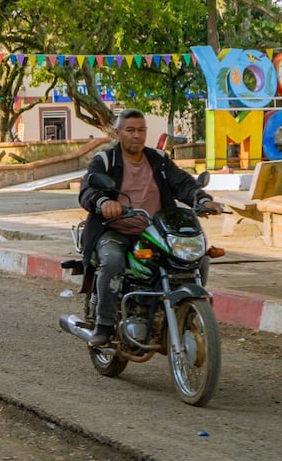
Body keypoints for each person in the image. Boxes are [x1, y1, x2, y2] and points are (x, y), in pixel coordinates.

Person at [78, 109, 222, 345]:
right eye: (130, 130)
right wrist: (104, 203)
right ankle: (104, 325)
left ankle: (180, 311)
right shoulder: (105, 160)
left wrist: (202, 200)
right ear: (118, 133)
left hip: (155, 231)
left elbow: (182, 183)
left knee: (198, 257)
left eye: (141, 130)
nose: (137, 135)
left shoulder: (158, 159)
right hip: (115, 230)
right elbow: (88, 189)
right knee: (113, 261)